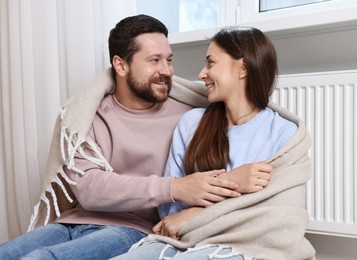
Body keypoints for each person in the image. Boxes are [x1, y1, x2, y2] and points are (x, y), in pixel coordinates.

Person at [0, 15, 244, 260]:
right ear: (120, 65)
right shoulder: (86, 113)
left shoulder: (189, 116)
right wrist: (173, 187)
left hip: (131, 229)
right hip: (72, 222)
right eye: (154, 60)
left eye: (169, 60)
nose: (167, 71)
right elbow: (88, 188)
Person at [112, 27, 316, 259]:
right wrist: (230, 182)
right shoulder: (192, 124)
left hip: (247, 245)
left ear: (242, 68)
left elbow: (277, 216)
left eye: (211, 63)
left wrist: (196, 212)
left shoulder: (283, 133)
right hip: (187, 239)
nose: (201, 74)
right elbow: (170, 211)